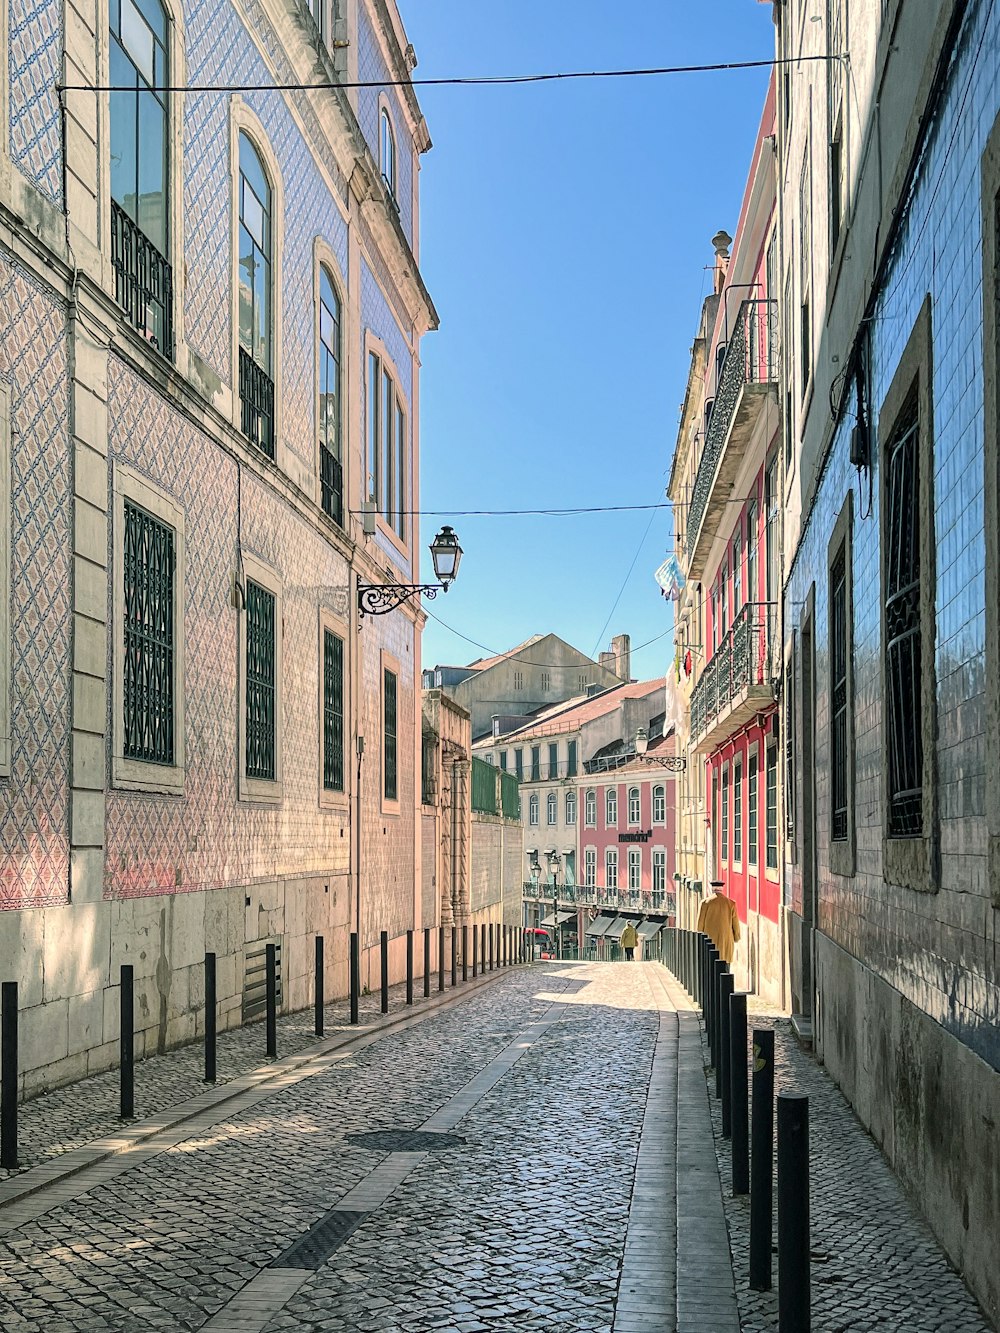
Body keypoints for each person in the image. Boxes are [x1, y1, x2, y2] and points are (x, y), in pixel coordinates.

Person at [697, 881, 740, 964]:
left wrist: (699, 939)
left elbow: (700, 925)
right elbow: (735, 924)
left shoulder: (705, 903)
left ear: (712, 889)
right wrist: (736, 937)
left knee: (710, 966)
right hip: (726, 942)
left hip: (709, 942)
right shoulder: (731, 904)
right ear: (722, 889)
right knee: (725, 968)